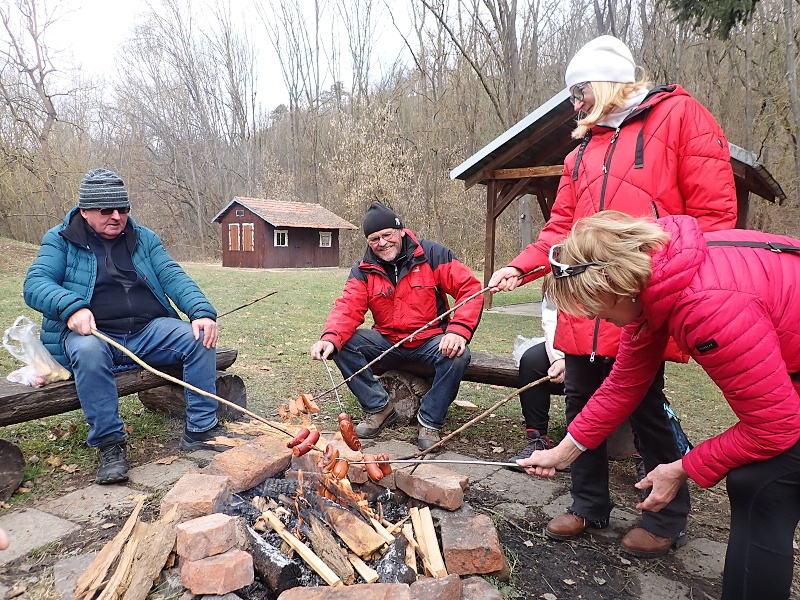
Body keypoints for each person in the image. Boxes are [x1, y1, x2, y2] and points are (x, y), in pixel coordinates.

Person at [488, 34, 738, 556]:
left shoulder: (682, 118)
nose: (573, 104)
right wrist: (520, 266)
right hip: (587, 302)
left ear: (604, 83)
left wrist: (687, 288)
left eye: (578, 91)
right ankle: (588, 504)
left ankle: (667, 519)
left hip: (644, 298)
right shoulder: (582, 151)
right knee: (581, 402)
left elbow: (714, 219)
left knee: (645, 405)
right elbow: (561, 227)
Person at [523, 210, 800, 600]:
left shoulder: (705, 306)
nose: (595, 318)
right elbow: (623, 385)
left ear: (612, 287)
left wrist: (681, 468)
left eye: (594, 309)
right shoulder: (662, 278)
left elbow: (774, 427)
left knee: (763, 489)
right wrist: (563, 452)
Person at [23, 168, 224, 485]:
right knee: (88, 351)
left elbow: (173, 276)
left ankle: (201, 430)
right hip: (95, 337)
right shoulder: (59, 240)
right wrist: (71, 308)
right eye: (107, 210)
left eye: (124, 209)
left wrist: (201, 311)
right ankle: (110, 445)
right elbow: (35, 284)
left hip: (147, 332)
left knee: (199, 338)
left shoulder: (143, 237)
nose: (117, 217)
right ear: (86, 211)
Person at [311, 202, 483, 451]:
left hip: (430, 340)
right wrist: (329, 337)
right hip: (387, 341)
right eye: (374, 239)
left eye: (386, 235)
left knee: (458, 355)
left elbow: (471, 290)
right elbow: (348, 307)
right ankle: (379, 407)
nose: (382, 243)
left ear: (401, 231)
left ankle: (430, 421)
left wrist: (457, 331)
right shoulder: (363, 270)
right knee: (342, 343)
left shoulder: (433, 255)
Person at [507, 298, 565, 469]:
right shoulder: (557, 280)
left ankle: (576, 447)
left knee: (582, 374)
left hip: (598, 347)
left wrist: (572, 360)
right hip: (564, 340)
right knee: (531, 361)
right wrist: (559, 357)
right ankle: (537, 438)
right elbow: (551, 318)